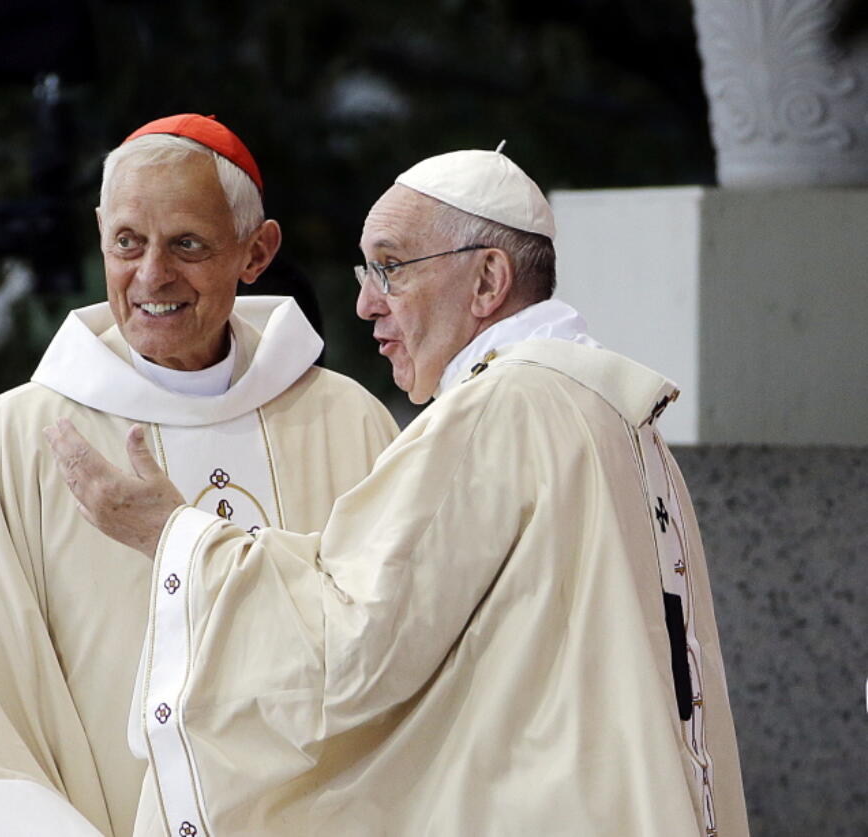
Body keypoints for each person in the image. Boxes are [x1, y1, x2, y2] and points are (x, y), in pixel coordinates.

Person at [48, 147, 751, 835]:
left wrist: (175, 537)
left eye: (390, 267)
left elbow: (351, 646)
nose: (363, 304)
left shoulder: (497, 412)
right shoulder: (612, 415)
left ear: (486, 282)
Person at [0, 114, 399, 836]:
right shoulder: (24, 439)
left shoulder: (346, 426)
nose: (152, 275)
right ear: (101, 235)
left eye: (187, 244)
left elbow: (398, 660)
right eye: (128, 243)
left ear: (256, 253)